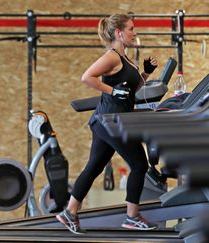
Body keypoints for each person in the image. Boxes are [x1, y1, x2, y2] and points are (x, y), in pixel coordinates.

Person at [56, 13, 158, 234]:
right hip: (111, 121)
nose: (135, 32)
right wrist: (112, 90)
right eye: (131, 29)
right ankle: (131, 217)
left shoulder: (125, 58)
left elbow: (131, 91)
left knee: (94, 167)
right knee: (139, 164)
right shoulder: (112, 57)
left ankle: (69, 212)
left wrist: (145, 73)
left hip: (107, 121)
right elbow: (87, 77)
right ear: (119, 33)